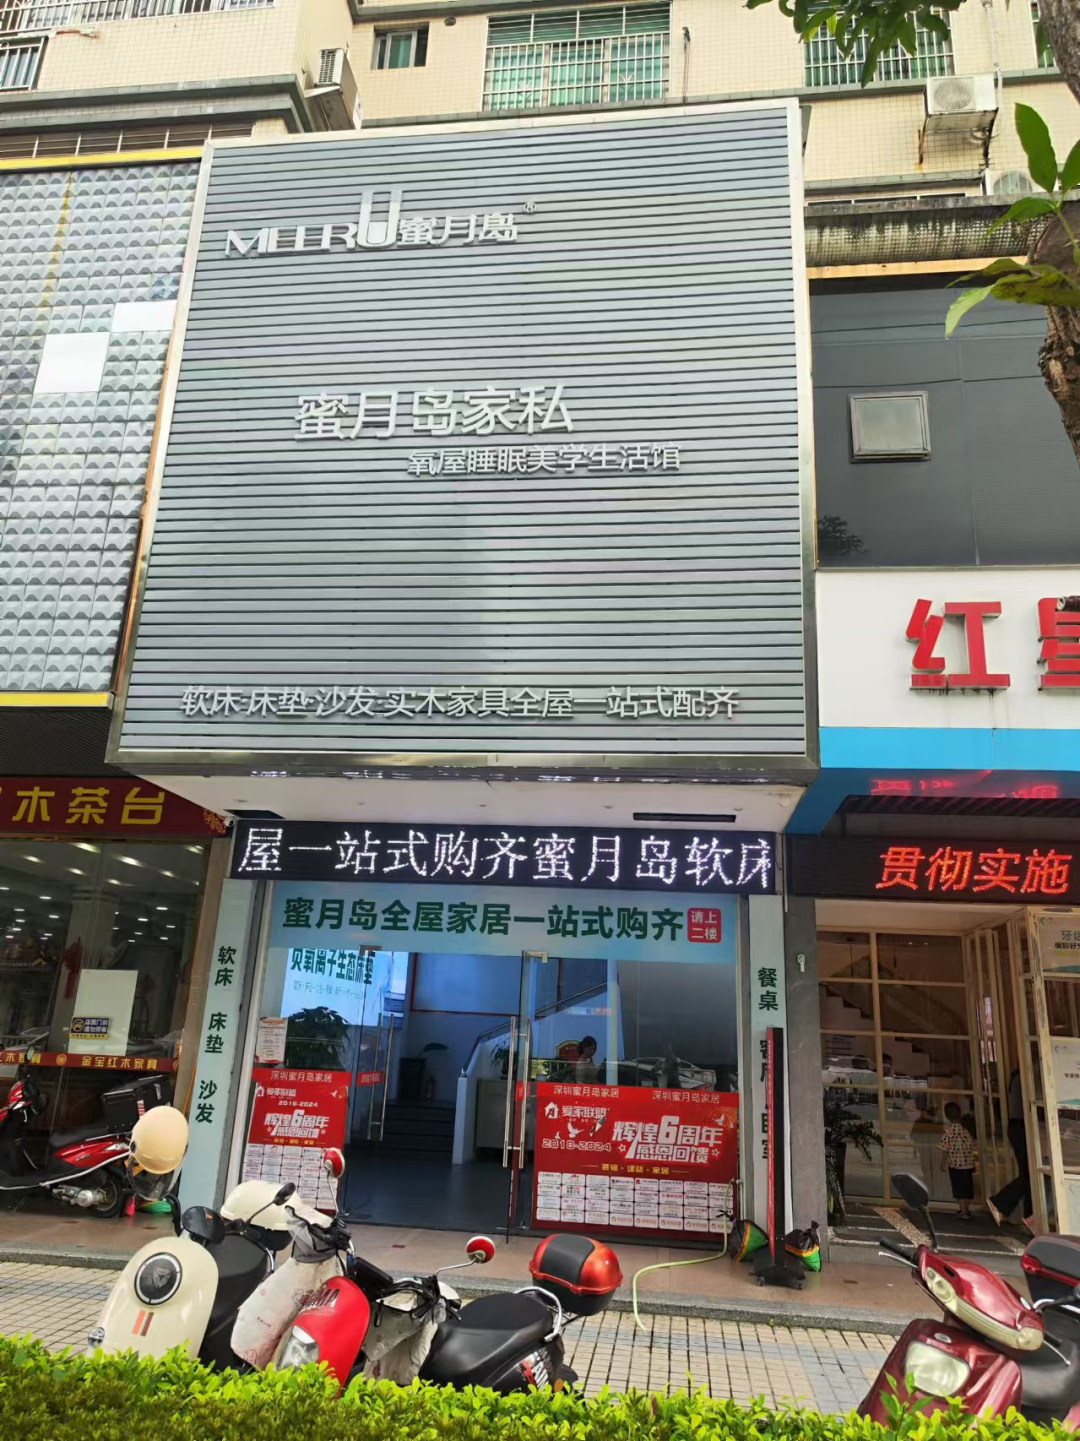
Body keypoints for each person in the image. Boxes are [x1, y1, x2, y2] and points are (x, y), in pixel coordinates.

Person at [988, 1069, 1034, 1231]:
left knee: (1030, 1176)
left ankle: (1031, 1219)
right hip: (1024, 1126)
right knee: (1031, 1175)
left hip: (1019, 1126)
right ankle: (1000, 1202)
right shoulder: (1026, 1077)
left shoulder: (1018, 1078)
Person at [939, 1101, 976, 1219]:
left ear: (947, 1116)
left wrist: (942, 1163)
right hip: (968, 1165)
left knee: (959, 1189)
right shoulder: (965, 1131)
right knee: (967, 1188)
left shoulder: (948, 1132)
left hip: (956, 1165)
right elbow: (972, 1146)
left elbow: (945, 1149)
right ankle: (967, 1209)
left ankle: (963, 1212)